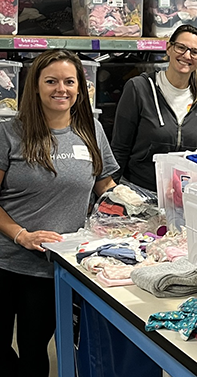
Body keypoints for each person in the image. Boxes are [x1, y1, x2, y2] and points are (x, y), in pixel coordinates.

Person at [0, 49, 118, 376]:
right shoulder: (10, 132)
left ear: (81, 87)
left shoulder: (91, 130)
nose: (60, 89)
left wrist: (137, 207)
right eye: (51, 81)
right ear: (35, 86)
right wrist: (20, 235)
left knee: (35, 348)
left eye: (69, 81)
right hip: (5, 261)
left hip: (53, 266)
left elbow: (104, 184)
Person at [111, 24, 197, 192]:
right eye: (181, 47)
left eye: (194, 52)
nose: (186, 55)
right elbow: (120, 148)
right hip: (140, 191)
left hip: (186, 194)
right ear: (168, 48)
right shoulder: (139, 88)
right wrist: (111, 193)